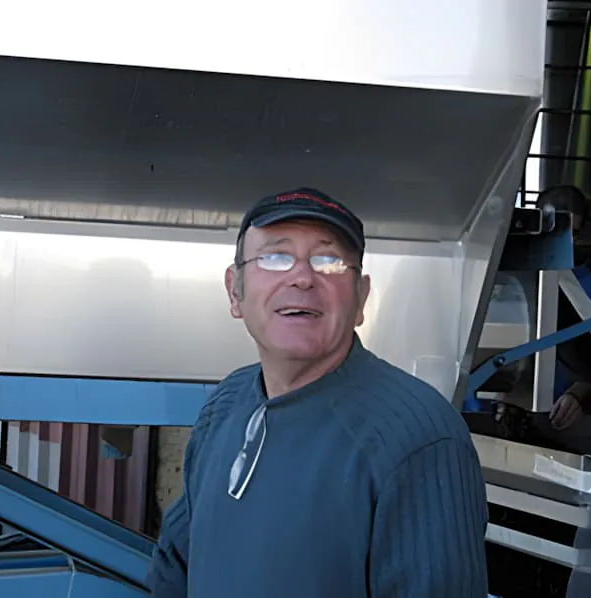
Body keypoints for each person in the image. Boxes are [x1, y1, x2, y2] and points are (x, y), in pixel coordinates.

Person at [148, 187, 489, 598]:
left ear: (361, 298)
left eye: (329, 261)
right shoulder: (226, 404)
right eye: (275, 257)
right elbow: (176, 563)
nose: (302, 276)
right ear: (234, 290)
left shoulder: (418, 439)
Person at [536, 185, 591, 430]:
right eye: (554, 229)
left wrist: (576, 396)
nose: (564, 242)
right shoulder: (502, 276)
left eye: (572, 233)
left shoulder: (589, 289)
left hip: (553, 420)